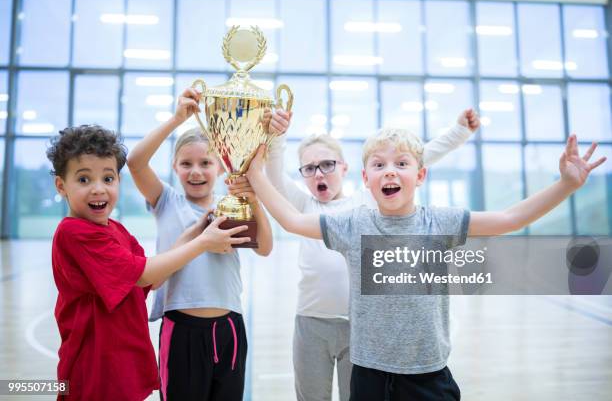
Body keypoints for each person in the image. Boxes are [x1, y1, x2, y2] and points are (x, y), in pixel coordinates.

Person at [245, 125, 605, 400]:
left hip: (428, 376)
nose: (389, 171)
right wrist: (256, 175)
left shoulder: (441, 222)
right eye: (379, 165)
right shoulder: (352, 224)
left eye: (401, 164)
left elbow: (510, 218)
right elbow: (292, 221)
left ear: (420, 175)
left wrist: (566, 186)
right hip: (369, 375)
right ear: (366, 180)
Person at [263, 110, 480, 401]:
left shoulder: (365, 204)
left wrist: (459, 132)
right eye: (309, 168)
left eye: (327, 164)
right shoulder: (304, 205)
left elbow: (414, 156)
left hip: (361, 330)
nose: (319, 173)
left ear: (345, 168)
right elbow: (274, 179)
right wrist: (276, 138)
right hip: (311, 322)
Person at [48, 125, 246, 400]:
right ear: (61, 185)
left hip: (123, 360)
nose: (98, 189)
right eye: (83, 180)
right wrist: (202, 243)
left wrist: (197, 232)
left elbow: (152, 278)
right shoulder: (74, 233)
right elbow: (142, 275)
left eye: (108, 178)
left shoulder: (117, 230)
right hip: (92, 365)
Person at [126, 87, 289, 400]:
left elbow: (265, 247)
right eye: (186, 164)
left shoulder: (231, 204)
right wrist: (176, 119)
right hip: (181, 329)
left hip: (230, 328)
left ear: (220, 166)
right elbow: (135, 162)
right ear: (174, 168)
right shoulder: (167, 202)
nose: (196, 171)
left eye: (205, 162)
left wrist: (253, 199)